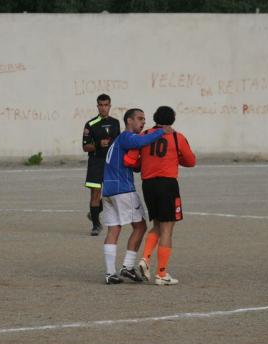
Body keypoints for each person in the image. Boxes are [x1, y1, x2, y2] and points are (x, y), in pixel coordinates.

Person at [124, 106, 196, 285]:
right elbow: (190, 161)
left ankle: (145, 259)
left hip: (148, 185)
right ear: (172, 120)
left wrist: (146, 162)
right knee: (167, 228)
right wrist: (174, 157)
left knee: (157, 224)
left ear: (155, 118)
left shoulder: (144, 135)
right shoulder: (177, 137)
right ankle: (161, 274)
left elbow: (132, 161)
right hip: (167, 185)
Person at [102, 108, 171, 285]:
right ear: (129, 121)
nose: (143, 122)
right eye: (139, 118)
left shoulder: (119, 140)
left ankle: (110, 273)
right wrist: (161, 131)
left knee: (113, 229)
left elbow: (131, 161)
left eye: (144, 119)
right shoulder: (127, 136)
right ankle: (128, 266)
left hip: (108, 189)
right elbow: (141, 141)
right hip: (123, 190)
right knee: (140, 226)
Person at [82, 94, 121, 236]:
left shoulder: (115, 122)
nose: (103, 108)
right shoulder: (90, 124)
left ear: (110, 106)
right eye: (101, 105)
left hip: (111, 163)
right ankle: (96, 225)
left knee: (113, 194)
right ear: (97, 106)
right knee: (95, 193)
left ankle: (95, 212)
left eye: (106, 105)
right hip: (96, 163)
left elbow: (118, 143)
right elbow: (85, 147)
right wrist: (98, 144)